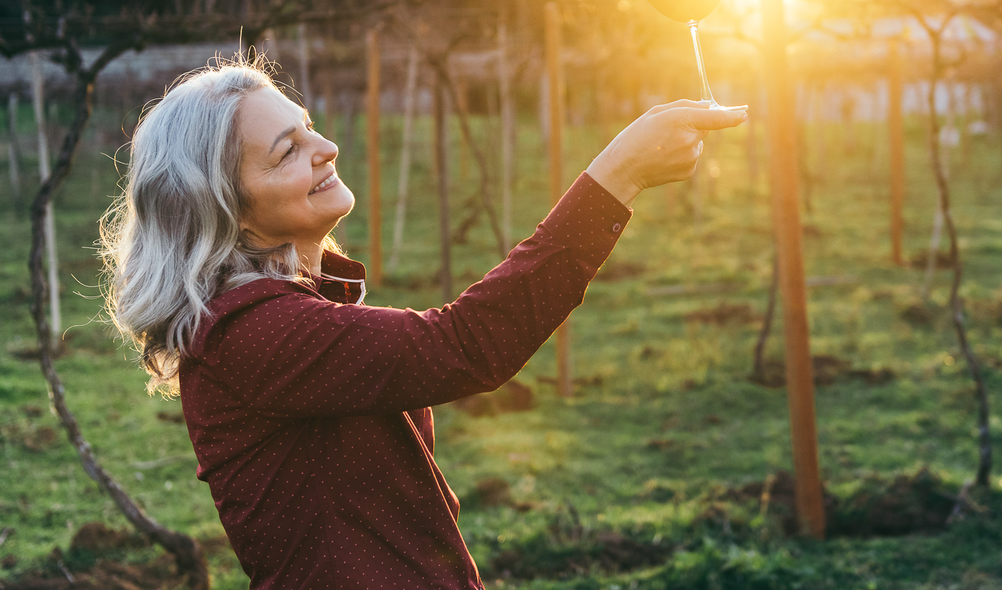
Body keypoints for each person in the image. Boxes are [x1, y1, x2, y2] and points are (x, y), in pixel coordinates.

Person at [101, 58, 746, 589]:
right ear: (229, 212)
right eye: (286, 152)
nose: (326, 149)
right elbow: (465, 345)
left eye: (310, 129)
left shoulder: (278, 315)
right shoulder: (253, 334)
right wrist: (619, 174)